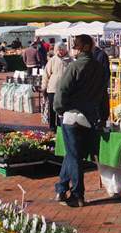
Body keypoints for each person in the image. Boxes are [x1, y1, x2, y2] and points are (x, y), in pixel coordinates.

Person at [54, 34, 110, 207]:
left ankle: (77, 194)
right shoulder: (100, 69)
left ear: (86, 47)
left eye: (77, 45)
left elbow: (62, 90)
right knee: (72, 154)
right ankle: (61, 189)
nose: (74, 48)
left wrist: (59, 109)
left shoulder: (75, 66)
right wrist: (103, 116)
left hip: (72, 115)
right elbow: (103, 95)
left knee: (74, 156)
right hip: (90, 117)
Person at [43, 42, 73, 131]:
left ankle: (61, 126)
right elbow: (46, 74)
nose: (60, 52)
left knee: (63, 108)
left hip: (65, 88)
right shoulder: (52, 60)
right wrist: (44, 86)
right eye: (58, 50)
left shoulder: (70, 60)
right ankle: (52, 126)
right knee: (52, 108)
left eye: (62, 50)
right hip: (53, 88)